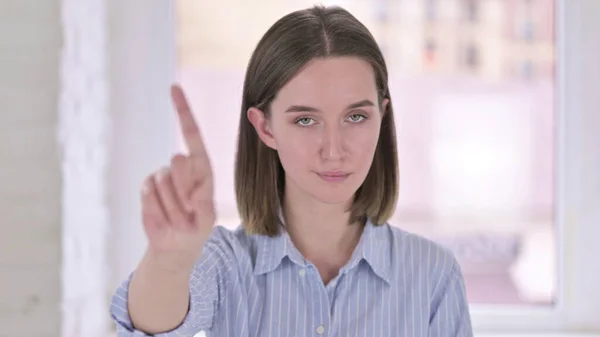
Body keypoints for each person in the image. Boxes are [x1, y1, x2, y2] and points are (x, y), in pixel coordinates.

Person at [109, 5, 473, 337]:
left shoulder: (432, 275)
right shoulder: (226, 263)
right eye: (305, 119)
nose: (333, 150)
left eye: (356, 116)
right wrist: (170, 262)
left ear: (382, 116)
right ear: (265, 127)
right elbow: (147, 327)